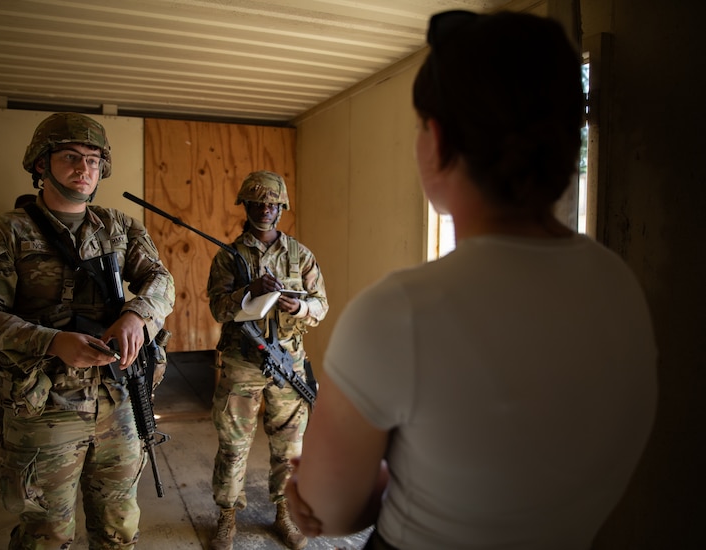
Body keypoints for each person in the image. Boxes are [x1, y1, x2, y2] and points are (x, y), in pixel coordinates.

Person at [284, 10, 657, 550]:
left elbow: (327, 512)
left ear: (437, 140)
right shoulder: (621, 285)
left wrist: (377, 479)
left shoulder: (398, 313)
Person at [0, 112, 175, 549]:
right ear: (41, 164)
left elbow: (161, 279)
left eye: (94, 160)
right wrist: (51, 341)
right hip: (44, 406)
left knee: (119, 526)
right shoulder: (2, 233)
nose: (84, 168)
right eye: (71, 157)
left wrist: (138, 315)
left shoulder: (120, 226)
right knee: (45, 534)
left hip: (118, 399)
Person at [206, 170, 329, 550]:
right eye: (257, 203)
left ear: (282, 208)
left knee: (290, 447)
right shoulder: (229, 256)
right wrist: (249, 292)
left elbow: (321, 305)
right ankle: (227, 517)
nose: (265, 210)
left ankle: (285, 514)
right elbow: (218, 309)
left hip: (288, 364)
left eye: (273, 204)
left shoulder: (300, 255)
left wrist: (301, 304)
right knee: (233, 444)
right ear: (245, 205)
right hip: (242, 363)